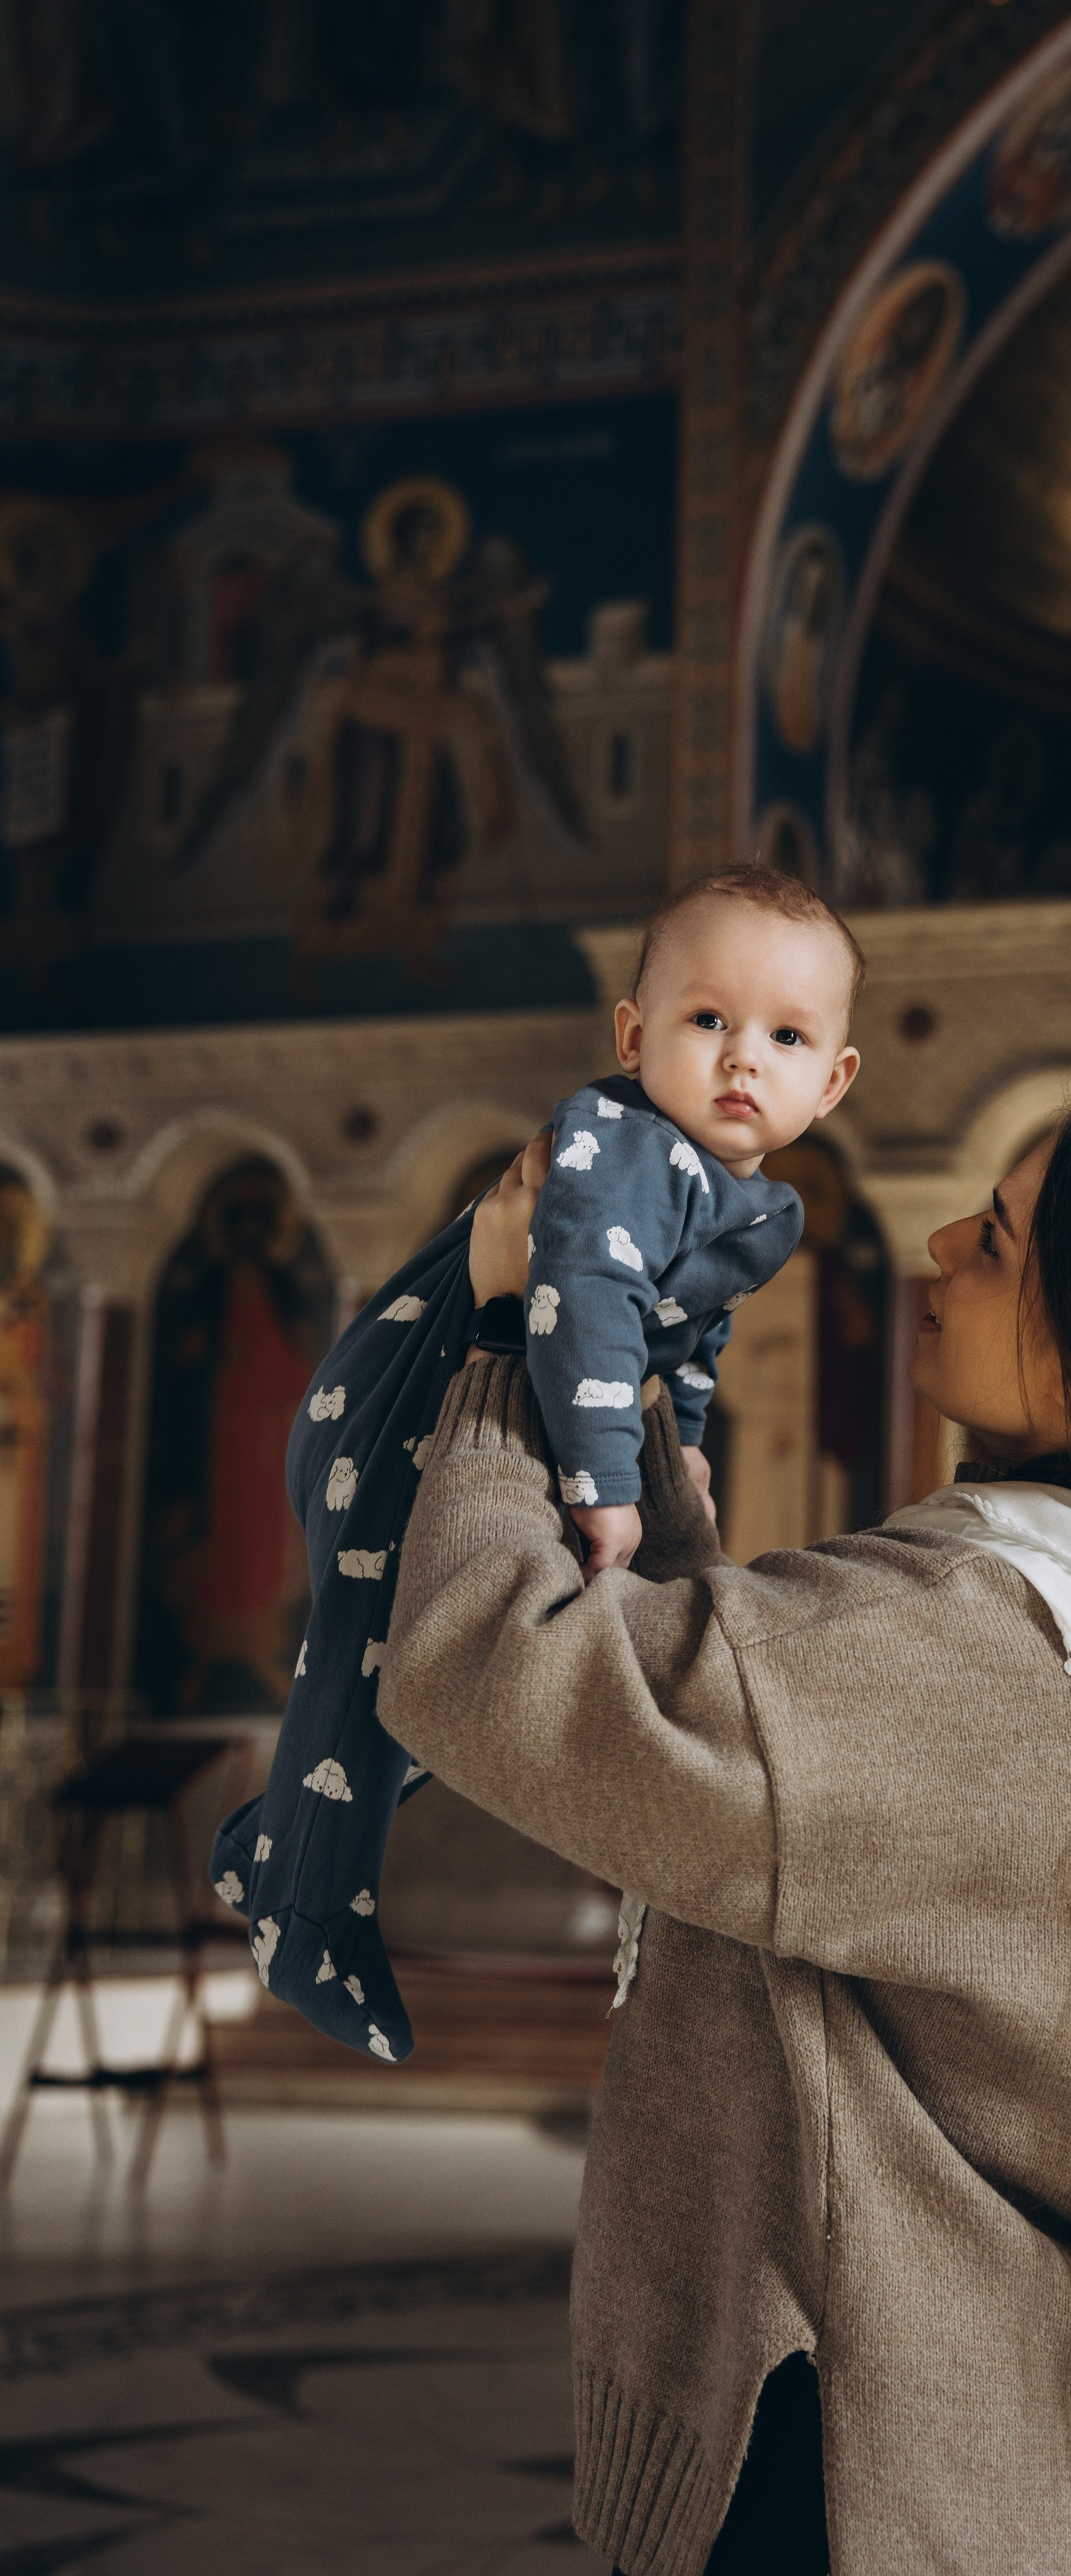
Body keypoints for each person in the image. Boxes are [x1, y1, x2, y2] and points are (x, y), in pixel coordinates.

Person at [375, 1095, 1071, 2571]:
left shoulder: (981, 1643)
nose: (942, 1244)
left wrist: (516, 1338)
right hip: (1011, 2466)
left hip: (852, 2476)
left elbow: (487, 1671)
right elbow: (772, 1796)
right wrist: (632, 1444)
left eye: (999, 1240)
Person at [209, 863, 861, 2064]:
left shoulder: (759, 1210)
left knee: (442, 1677)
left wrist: (685, 1452)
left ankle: (271, 1850)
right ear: (634, 1036)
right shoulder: (622, 1146)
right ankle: (307, 1924)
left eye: (786, 1035)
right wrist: (609, 1488)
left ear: (833, 1081)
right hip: (404, 1409)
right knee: (371, 1656)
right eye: (707, 1019)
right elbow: (586, 1299)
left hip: (498, 1430)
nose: (741, 1058)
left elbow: (689, 1340)